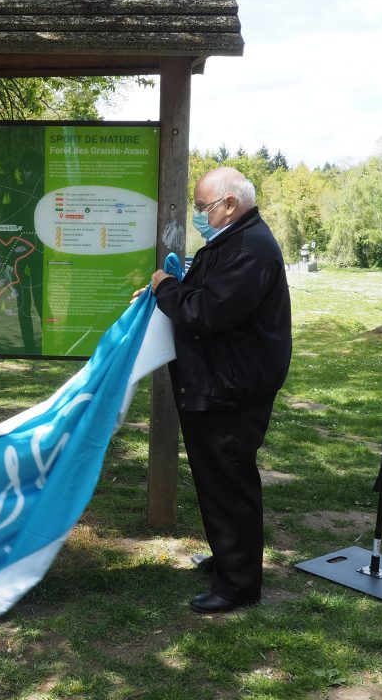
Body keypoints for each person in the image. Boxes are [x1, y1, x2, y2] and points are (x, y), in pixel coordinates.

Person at [144, 166, 292, 613]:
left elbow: (208, 312)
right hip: (217, 384)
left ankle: (238, 586)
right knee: (215, 481)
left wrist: (166, 288)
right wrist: (167, 291)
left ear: (230, 205)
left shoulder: (249, 249)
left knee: (229, 484)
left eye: (203, 206)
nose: (199, 215)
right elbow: (200, 293)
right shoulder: (230, 242)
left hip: (231, 391)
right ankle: (230, 560)